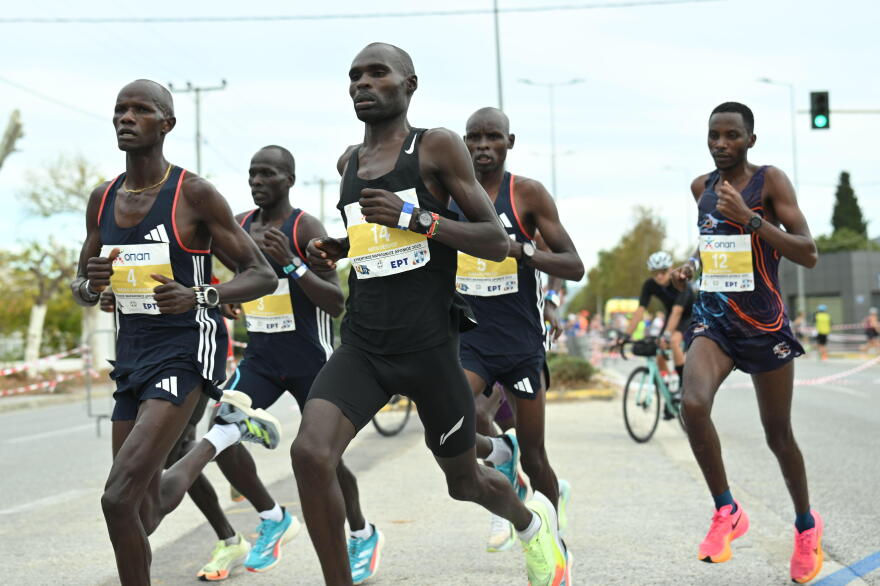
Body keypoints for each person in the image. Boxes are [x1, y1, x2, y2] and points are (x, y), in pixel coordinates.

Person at [293, 43, 568, 586]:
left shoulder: (435, 147)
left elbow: (493, 240)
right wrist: (341, 247)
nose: (362, 84)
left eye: (378, 74)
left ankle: (529, 523)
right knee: (310, 452)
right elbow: (378, 235)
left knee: (463, 481)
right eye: (354, 77)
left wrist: (416, 217)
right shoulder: (349, 162)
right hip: (365, 345)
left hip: (431, 349)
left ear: (409, 84)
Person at [71, 79, 280, 585]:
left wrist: (201, 295)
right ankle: (221, 436)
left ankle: (217, 435)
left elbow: (261, 274)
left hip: (186, 350)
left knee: (116, 496)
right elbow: (81, 285)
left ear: (166, 124)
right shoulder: (103, 199)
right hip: (132, 355)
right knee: (140, 512)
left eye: (140, 110)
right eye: (120, 109)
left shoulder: (194, 194)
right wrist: (89, 283)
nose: (126, 117)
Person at [672, 102, 823, 584]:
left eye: (731, 135)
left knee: (778, 436)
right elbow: (714, 247)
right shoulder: (701, 188)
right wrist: (691, 269)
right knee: (692, 404)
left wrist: (752, 219)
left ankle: (805, 525)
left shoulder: (769, 182)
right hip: (715, 322)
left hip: (764, 324)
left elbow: (809, 253)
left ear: (750, 140)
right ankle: (726, 510)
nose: (721, 144)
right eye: (714, 135)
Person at [455, 106, 584, 552]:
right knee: (450, 418)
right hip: (470, 340)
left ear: (510, 143)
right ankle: (497, 456)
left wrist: (520, 251)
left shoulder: (526, 194)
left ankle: (554, 538)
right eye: (474, 138)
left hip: (521, 343)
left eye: (493, 138)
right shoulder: (447, 195)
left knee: (536, 454)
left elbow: (574, 264)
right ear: (462, 143)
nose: (483, 146)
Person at [623, 251, 694, 392]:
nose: (659, 276)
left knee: (673, 341)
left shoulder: (680, 282)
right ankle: (668, 387)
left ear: (671, 268)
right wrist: (626, 335)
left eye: (663, 271)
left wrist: (667, 334)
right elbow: (640, 311)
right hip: (671, 315)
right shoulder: (650, 285)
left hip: (689, 314)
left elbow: (677, 311)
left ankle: (683, 385)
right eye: (655, 273)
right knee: (658, 348)